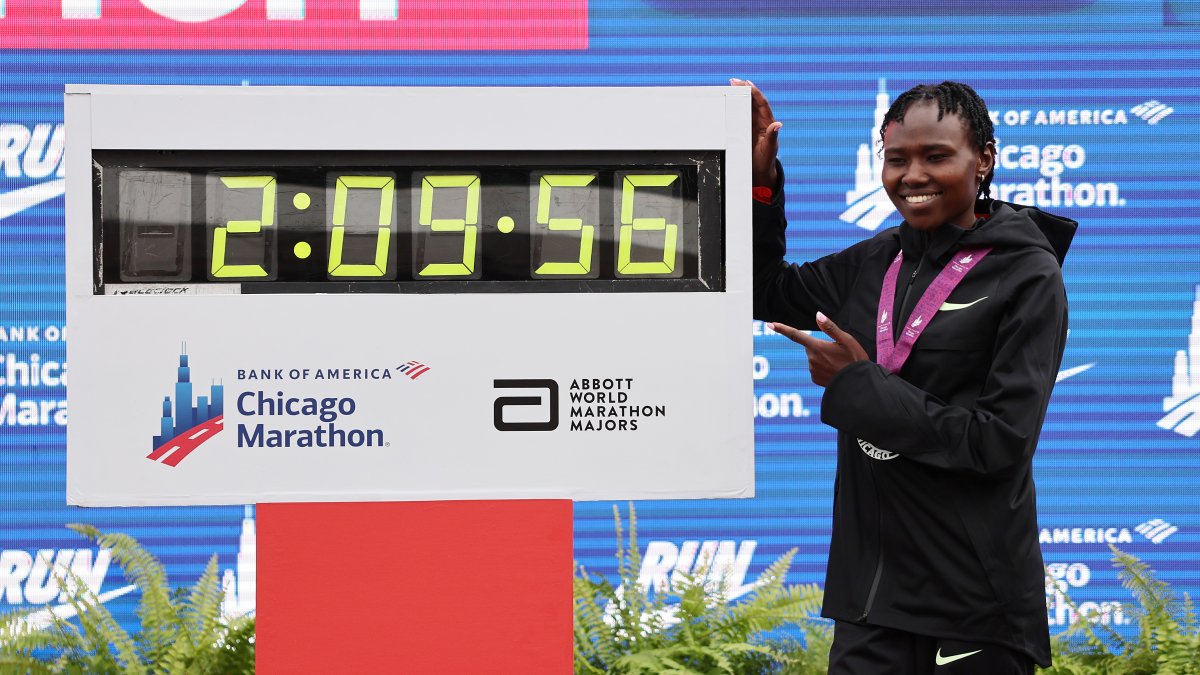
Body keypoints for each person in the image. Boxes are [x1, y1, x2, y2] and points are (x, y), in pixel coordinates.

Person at [734, 78, 1077, 674]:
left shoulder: (1028, 273)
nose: (912, 175)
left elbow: (999, 442)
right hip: (873, 600)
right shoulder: (874, 262)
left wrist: (858, 386)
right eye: (897, 159)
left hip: (974, 603)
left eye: (936, 156)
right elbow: (764, 290)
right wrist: (760, 185)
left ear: (984, 160)